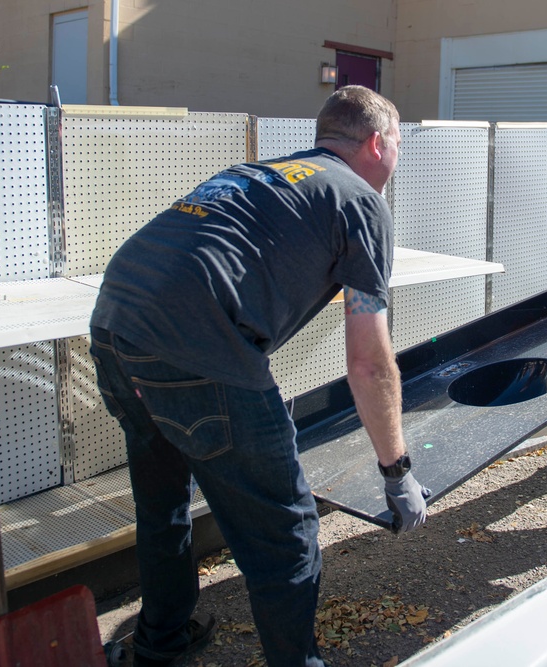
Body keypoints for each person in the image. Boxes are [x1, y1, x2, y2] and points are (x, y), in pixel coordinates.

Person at [89, 85, 430, 667]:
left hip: (116, 326)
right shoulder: (362, 201)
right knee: (286, 533)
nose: (396, 160)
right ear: (377, 142)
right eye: (398, 145)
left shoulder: (265, 173)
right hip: (198, 349)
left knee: (163, 497)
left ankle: (160, 643)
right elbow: (369, 362)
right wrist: (396, 471)